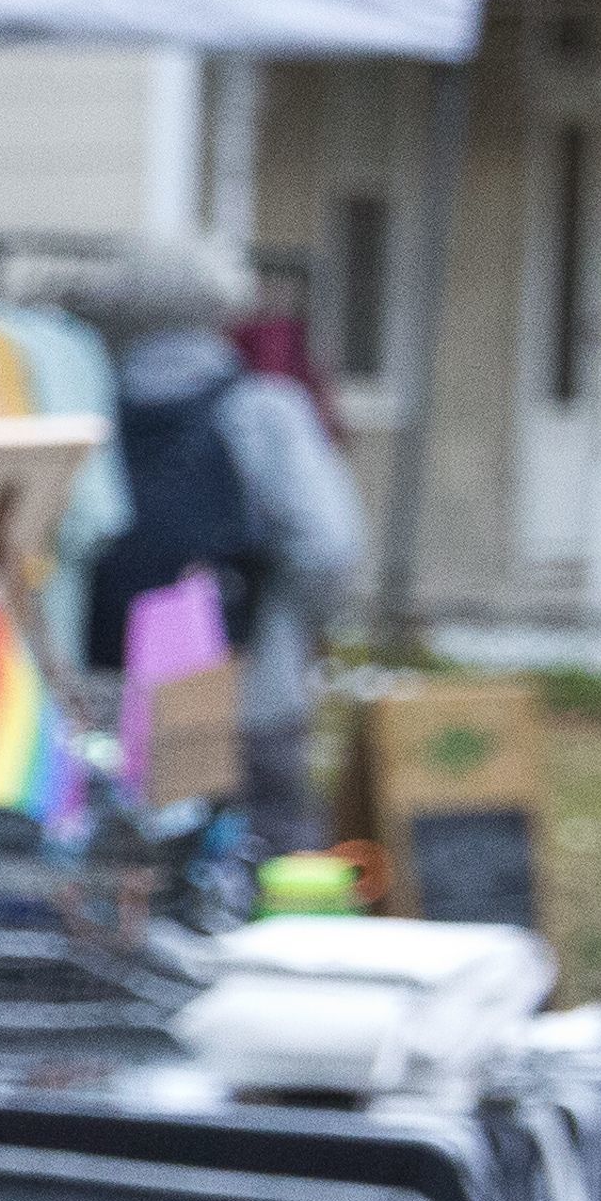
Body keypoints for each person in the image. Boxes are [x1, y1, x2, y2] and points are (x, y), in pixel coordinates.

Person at [67, 231, 359, 851]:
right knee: (264, 874)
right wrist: (291, 629)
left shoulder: (84, 411)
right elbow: (328, 548)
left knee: (129, 884)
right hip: (248, 693)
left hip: (112, 700)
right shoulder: (263, 410)